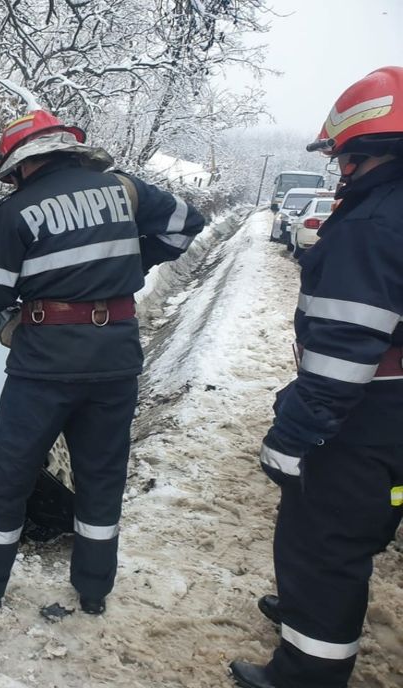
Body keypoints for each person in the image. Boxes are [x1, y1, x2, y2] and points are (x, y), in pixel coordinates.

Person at [0, 110, 204, 613]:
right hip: (116, 358)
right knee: (103, 475)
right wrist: (131, 260)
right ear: (69, 150)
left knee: (9, 475)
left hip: (45, 363)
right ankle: (93, 589)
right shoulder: (125, 190)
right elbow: (186, 225)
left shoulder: (16, 211)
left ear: (21, 166)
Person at [231, 66, 403, 688]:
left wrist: (293, 434)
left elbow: (344, 355)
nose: (338, 169)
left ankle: (307, 669)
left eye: (340, 156)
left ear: (360, 150)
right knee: (364, 523)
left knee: (324, 543)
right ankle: (306, 610)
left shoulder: (370, 223)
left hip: (367, 414)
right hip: (390, 416)